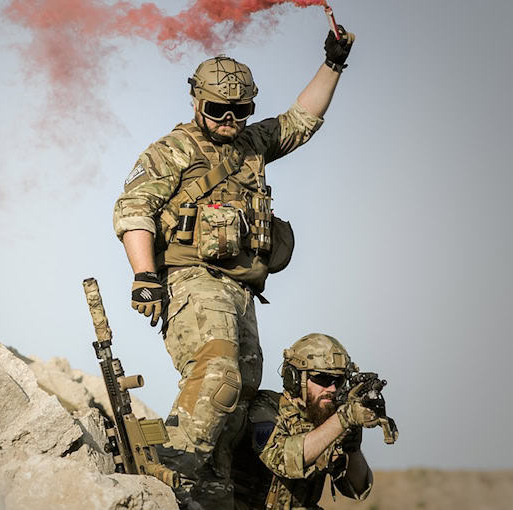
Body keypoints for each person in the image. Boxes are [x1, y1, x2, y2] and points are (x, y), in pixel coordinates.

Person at [111, 27, 355, 509]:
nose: (229, 119)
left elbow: (302, 119)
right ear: (196, 102)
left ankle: (210, 494)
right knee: (218, 374)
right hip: (192, 282)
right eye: (217, 109)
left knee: (237, 406)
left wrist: (334, 61)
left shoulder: (251, 145)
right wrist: (143, 277)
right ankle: (165, 473)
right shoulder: (171, 150)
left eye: (240, 111)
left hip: (242, 293)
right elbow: (133, 209)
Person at [257, 333, 377, 510]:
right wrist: (343, 419)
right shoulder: (265, 408)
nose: (332, 389)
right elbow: (283, 459)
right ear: (295, 378)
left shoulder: (329, 419)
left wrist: (352, 445)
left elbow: (357, 489)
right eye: (323, 379)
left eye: (338, 381)